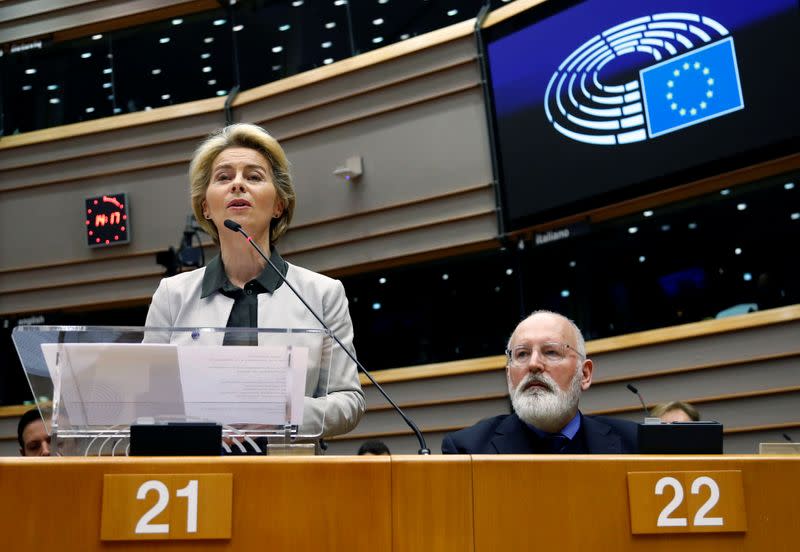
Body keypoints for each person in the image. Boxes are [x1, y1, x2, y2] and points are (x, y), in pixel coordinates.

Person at [145, 123, 365, 441]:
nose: (237, 185)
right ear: (205, 206)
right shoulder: (172, 295)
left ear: (279, 205)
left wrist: (284, 412)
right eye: (223, 177)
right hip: (197, 476)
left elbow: (348, 401)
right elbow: (147, 403)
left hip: (289, 474)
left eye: (253, 176)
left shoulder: (322, 294)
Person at [442, 310, 637, 454]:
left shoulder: (635, 445)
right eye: (522, 354)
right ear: (509, 375)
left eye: (551, 352)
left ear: (584, 374)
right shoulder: (467, 451)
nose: (534, 364)